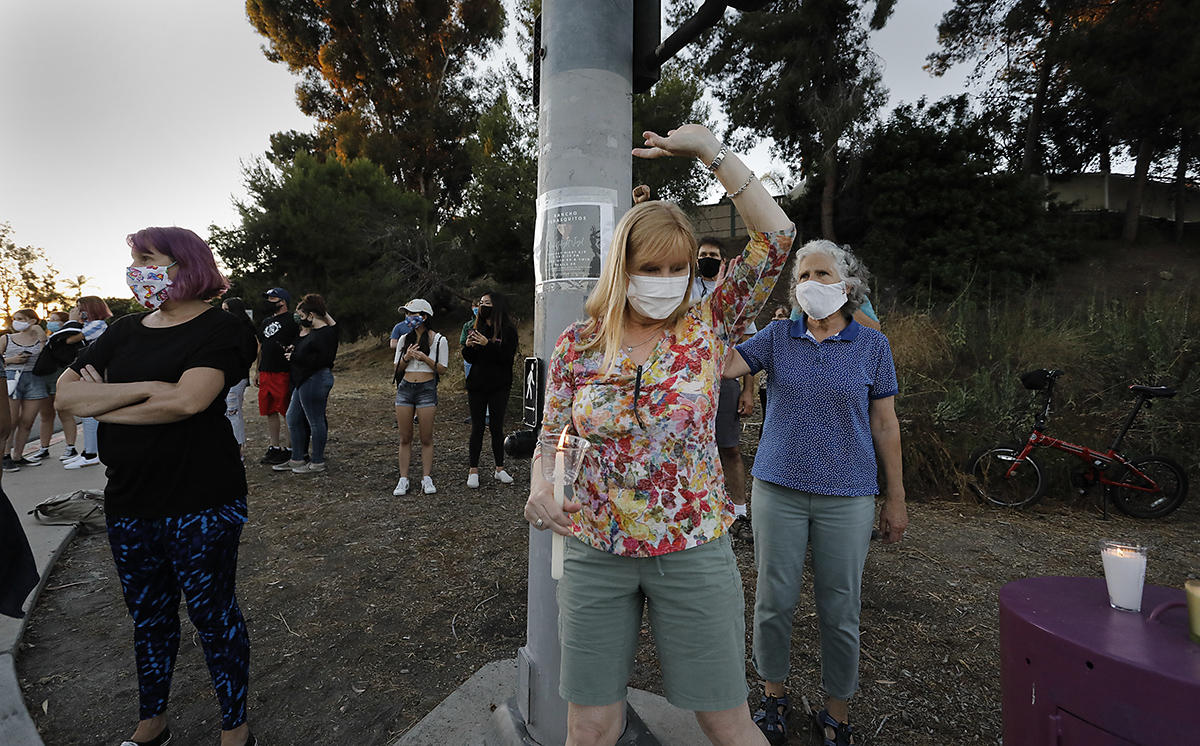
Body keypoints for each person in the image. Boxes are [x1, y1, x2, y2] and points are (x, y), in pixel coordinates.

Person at [524, 124, 791, 745]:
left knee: (725, 719)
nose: (666, 279)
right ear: (623, 267)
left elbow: (776, 236)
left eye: (678, 266)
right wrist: (539, 486)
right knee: (589, 723)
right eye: (651, 267)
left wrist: (709, 151)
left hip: (692, 543)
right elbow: (549, 436)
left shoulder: (708, 324)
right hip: (596, 547)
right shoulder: (579, 345)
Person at [55, 226, 258, 746]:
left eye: (148, 257)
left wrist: (108, 403)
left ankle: (235, 730)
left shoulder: (224, 329)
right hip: (129, 502)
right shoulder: (123, 330)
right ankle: (153, 722)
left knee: (214, 617)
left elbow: (188, 402)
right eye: (133, 259)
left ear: (186, 264)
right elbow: (65, 397)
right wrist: (148, 388)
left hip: (202, 502)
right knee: (148, 617)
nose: (136, 268)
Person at [724, 239, 907, 746]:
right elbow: (723, 365)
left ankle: (836, 713)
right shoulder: (779, 336)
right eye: (802, 275)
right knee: (773, 600)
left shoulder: (873, 345)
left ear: (846, 286)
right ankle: (773, 697)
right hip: (777, 487)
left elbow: (885, 424)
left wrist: (896, 498)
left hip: (848, 494)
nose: (809, 283)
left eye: (821, 274)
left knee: (840, 606)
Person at [691, 236, 757, 543]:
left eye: (713, 255)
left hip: (725, 381)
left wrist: (748, 390)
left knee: (729, 448)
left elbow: (747, 347)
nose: (707, 258)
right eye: (702, 254)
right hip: (688, 381)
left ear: (722, 260)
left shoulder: (734, 296)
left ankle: (740, 512)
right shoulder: (682, 288)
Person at [272, 294, 338, 474]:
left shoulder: (325, 332)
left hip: (315, 379)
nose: (300, 320)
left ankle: (317, 461)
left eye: (302, 316)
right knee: (293, 417)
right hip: (304, 380)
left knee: (315, 420)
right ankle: (297, 458)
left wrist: (294, 357)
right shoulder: (313, 333)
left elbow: (320, 359)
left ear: (312, 315)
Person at [391, 299, 448, 496]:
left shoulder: (439, 340)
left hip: (426, 388)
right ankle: (403, 479)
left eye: (412, 314)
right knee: (405, 437)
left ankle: (426, 477)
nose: (409, 318)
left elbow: (442, 369)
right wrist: (406, 357)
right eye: (406, 314)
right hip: (405, 388)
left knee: (426, 437)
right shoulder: (403, 339)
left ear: (424, 316)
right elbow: (396, 368)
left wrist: (424, 358)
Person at [462, 291, 518, 488]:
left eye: (487, 303)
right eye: (481, 303)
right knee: (477, 427)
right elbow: (470, 358)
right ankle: (473, 470)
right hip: (477, 385)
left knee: (496, 427)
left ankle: (500, 469)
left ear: (497, 305)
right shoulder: (475, 327)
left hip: (499, 385)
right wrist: (468, 346)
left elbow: (506, 358)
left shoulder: (508, 330)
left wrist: (488, 345)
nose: (482, 306)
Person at [58, 296, 114, 470]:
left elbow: (69, 340)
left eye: (79, 307)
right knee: (87, 416)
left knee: (90, 414)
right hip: (88, 371)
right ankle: (88, 452)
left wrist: (71, 321)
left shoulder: (98, 325)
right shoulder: (89, 325)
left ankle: (91, 454)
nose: (76, 310)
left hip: (94, 373)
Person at [2, 310, 49, 471]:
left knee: (27, 421)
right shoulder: (6, 338)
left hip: (34, 379)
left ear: (32, 321)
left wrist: (39, 332)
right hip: (11, 378)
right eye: (15, 319)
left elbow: (45, 355)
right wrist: (11, 360)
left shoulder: (39, 339)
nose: (16, 322)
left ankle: (18, 455)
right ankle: (5, 456)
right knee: (11, 420)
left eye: (21, 319)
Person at [256, 287, 298, 465]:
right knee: (269, 410)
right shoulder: (266, 321)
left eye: (272, 299)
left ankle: (290, 448)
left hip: (283, 371)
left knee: (285, 410)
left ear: (283, 301)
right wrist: (257, 370)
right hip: (266, 371)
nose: (268, 302)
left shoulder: (293, 320)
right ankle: (274, 446)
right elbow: (261, 346)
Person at [32, 310, 78, 461]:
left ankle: (70, 447)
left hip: (59, 376)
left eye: (54, 319)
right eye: (49, 319)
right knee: (46, 415)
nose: (50, 322)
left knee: (64, 413)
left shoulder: (67, 337)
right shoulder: (48, 338)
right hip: (45, 377)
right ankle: (43, 448)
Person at [221, 298, 260, 459]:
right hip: (229, 376)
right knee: (228, 413)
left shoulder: (243, 330)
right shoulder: (231, 329)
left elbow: (249, 354)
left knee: (233, 413)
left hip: (236, 377)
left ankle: (238, 452)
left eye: (226, 309)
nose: (223, 313)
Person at [459, 300, 479, 379]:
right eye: (475, 306)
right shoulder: (468, 325)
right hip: (470, 356)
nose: (477, 309)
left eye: (479, 306)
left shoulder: (489, 323)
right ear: (472, 308)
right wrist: (468, 343)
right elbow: (462, 341)